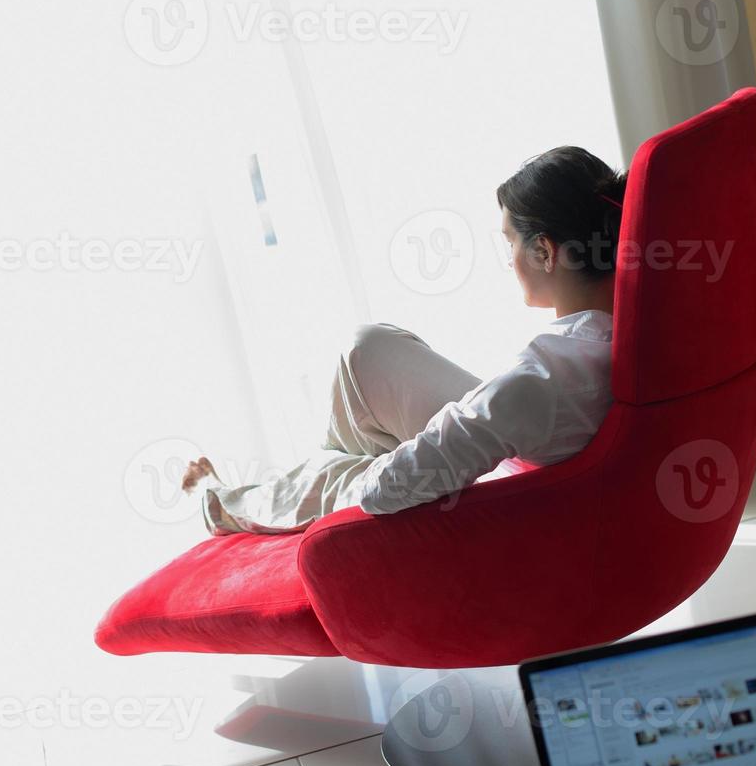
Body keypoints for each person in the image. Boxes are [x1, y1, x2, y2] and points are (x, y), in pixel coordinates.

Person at [183, 146, 626, 534]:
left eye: (509, 242)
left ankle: (227, 501)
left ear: (545, 252)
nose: (509, 261)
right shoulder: (607, 333)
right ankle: (305, 475)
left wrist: (341, 476)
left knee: (337, 471)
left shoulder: (537, 379)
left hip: (505, 494)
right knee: (367, 348)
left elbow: (383, 491)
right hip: (528, 442)